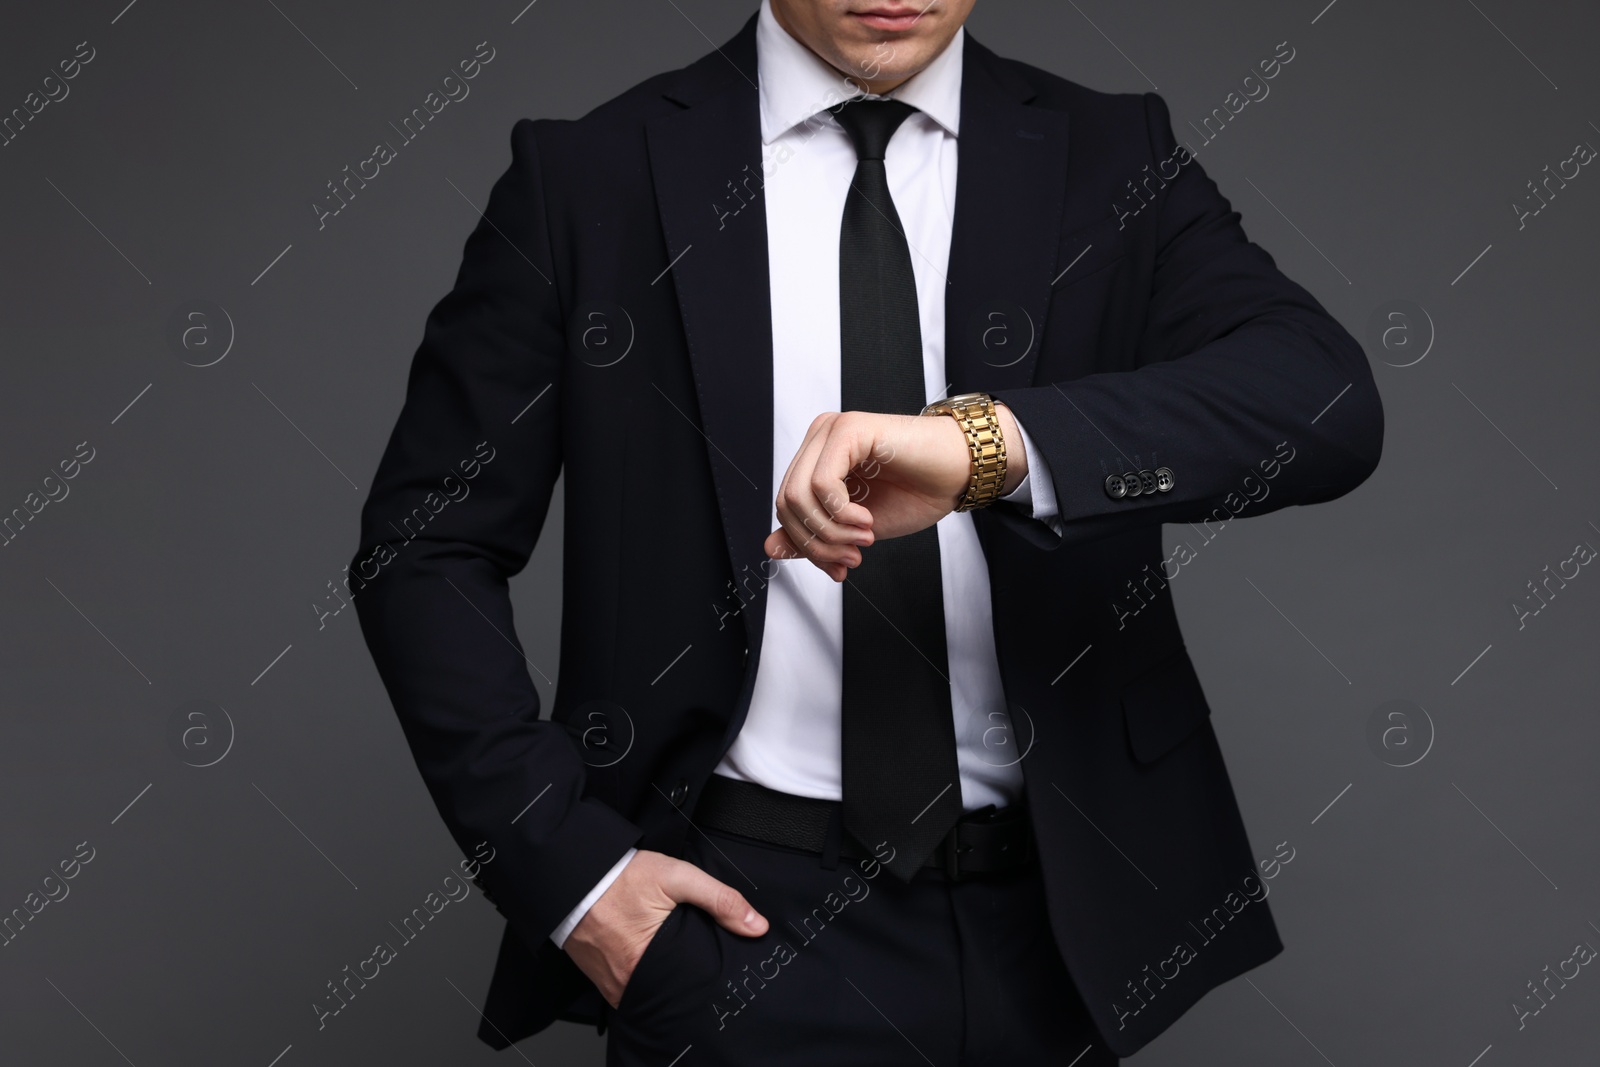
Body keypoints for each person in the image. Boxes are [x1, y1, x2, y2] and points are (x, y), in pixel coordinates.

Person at [351, 1, 1383, 1063]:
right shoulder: (589, 176)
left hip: (1058, 933)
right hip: (735, 933)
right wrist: (576, 881)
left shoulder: (1110, 153)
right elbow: (423, 548)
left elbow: (1323, 401)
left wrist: (992, 445)